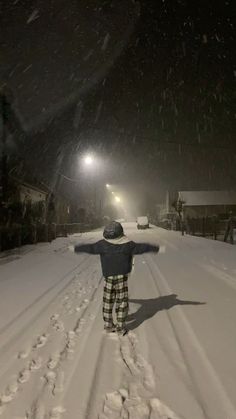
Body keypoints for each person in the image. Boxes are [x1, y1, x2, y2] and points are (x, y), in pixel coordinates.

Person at [70, 221, 160, 335]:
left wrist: (76, 248)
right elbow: (142, 247)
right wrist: (155, 248)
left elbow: (90, 248)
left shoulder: (102, 244)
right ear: (120, 232)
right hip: (121, 276)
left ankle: (108, 325)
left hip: (108, 277)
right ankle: (120, 327)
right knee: (122, 301)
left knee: (108, 300)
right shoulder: (128, 245)